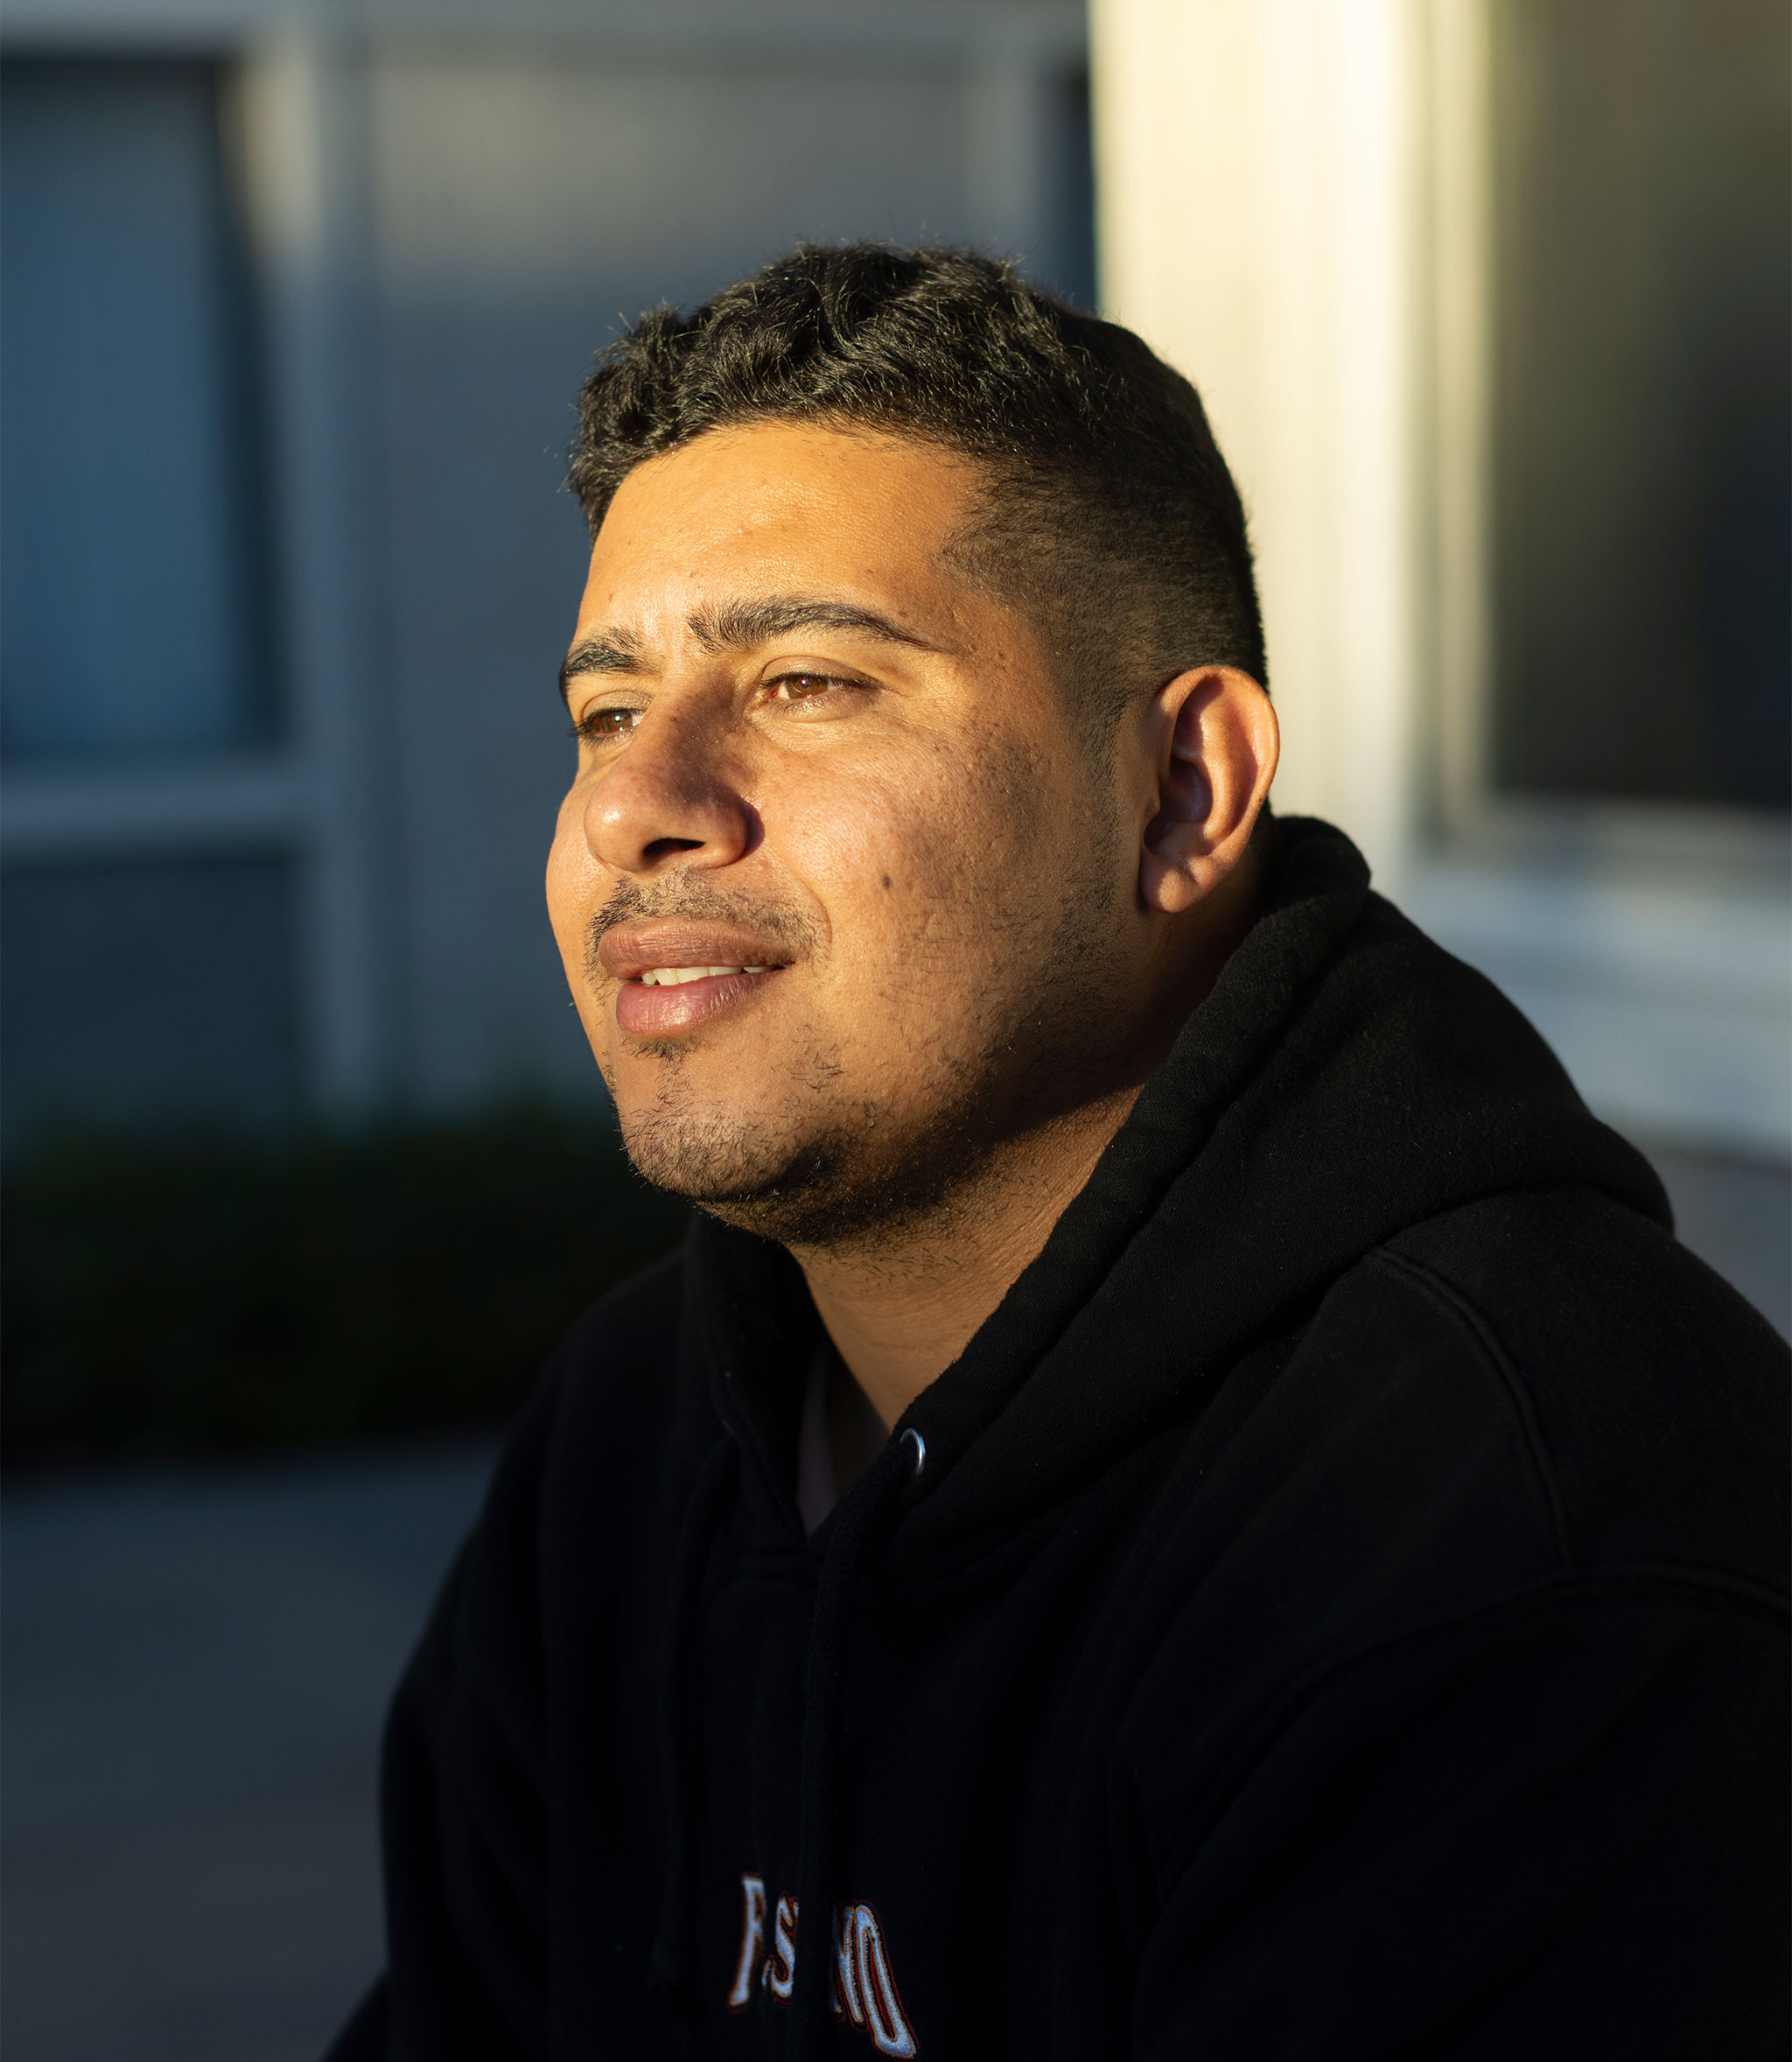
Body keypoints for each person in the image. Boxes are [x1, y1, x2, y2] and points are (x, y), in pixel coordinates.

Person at [328, 245, 1788, 2060]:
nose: (635, 803)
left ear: (1182, 789)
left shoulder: (1513, 1522)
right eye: (607, 712)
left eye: (807, 681)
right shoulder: (632, 1437)